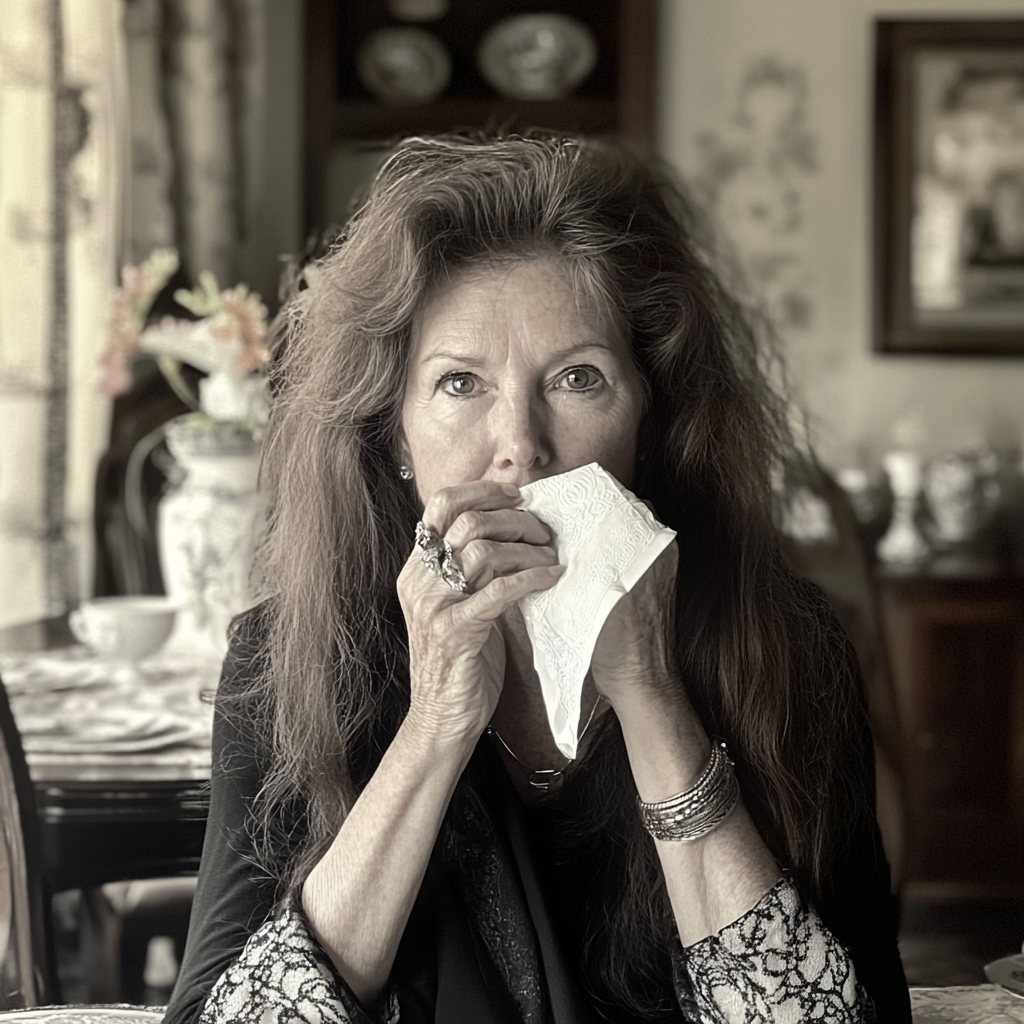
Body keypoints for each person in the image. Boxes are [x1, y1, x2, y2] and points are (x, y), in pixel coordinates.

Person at [164, 134, 911, 1024]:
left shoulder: (786, 645)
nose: (520, 445)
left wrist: (652, 693)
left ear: (649, 420)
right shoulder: (281, 662)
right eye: (459, 384)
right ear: (394, 436)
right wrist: (436, 725)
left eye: (577, 378)